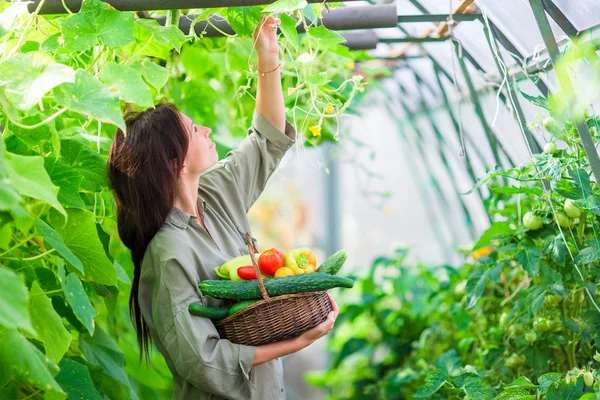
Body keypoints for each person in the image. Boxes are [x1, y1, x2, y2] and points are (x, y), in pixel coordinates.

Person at [107, 14, 339, 400]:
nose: (208, 131)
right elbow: (205, 362)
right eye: (195, 130)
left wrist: (268, 57)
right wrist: (301, 340)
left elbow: (265, 139)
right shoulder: (168, 254)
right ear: (174, 162)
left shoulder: (213, 196)